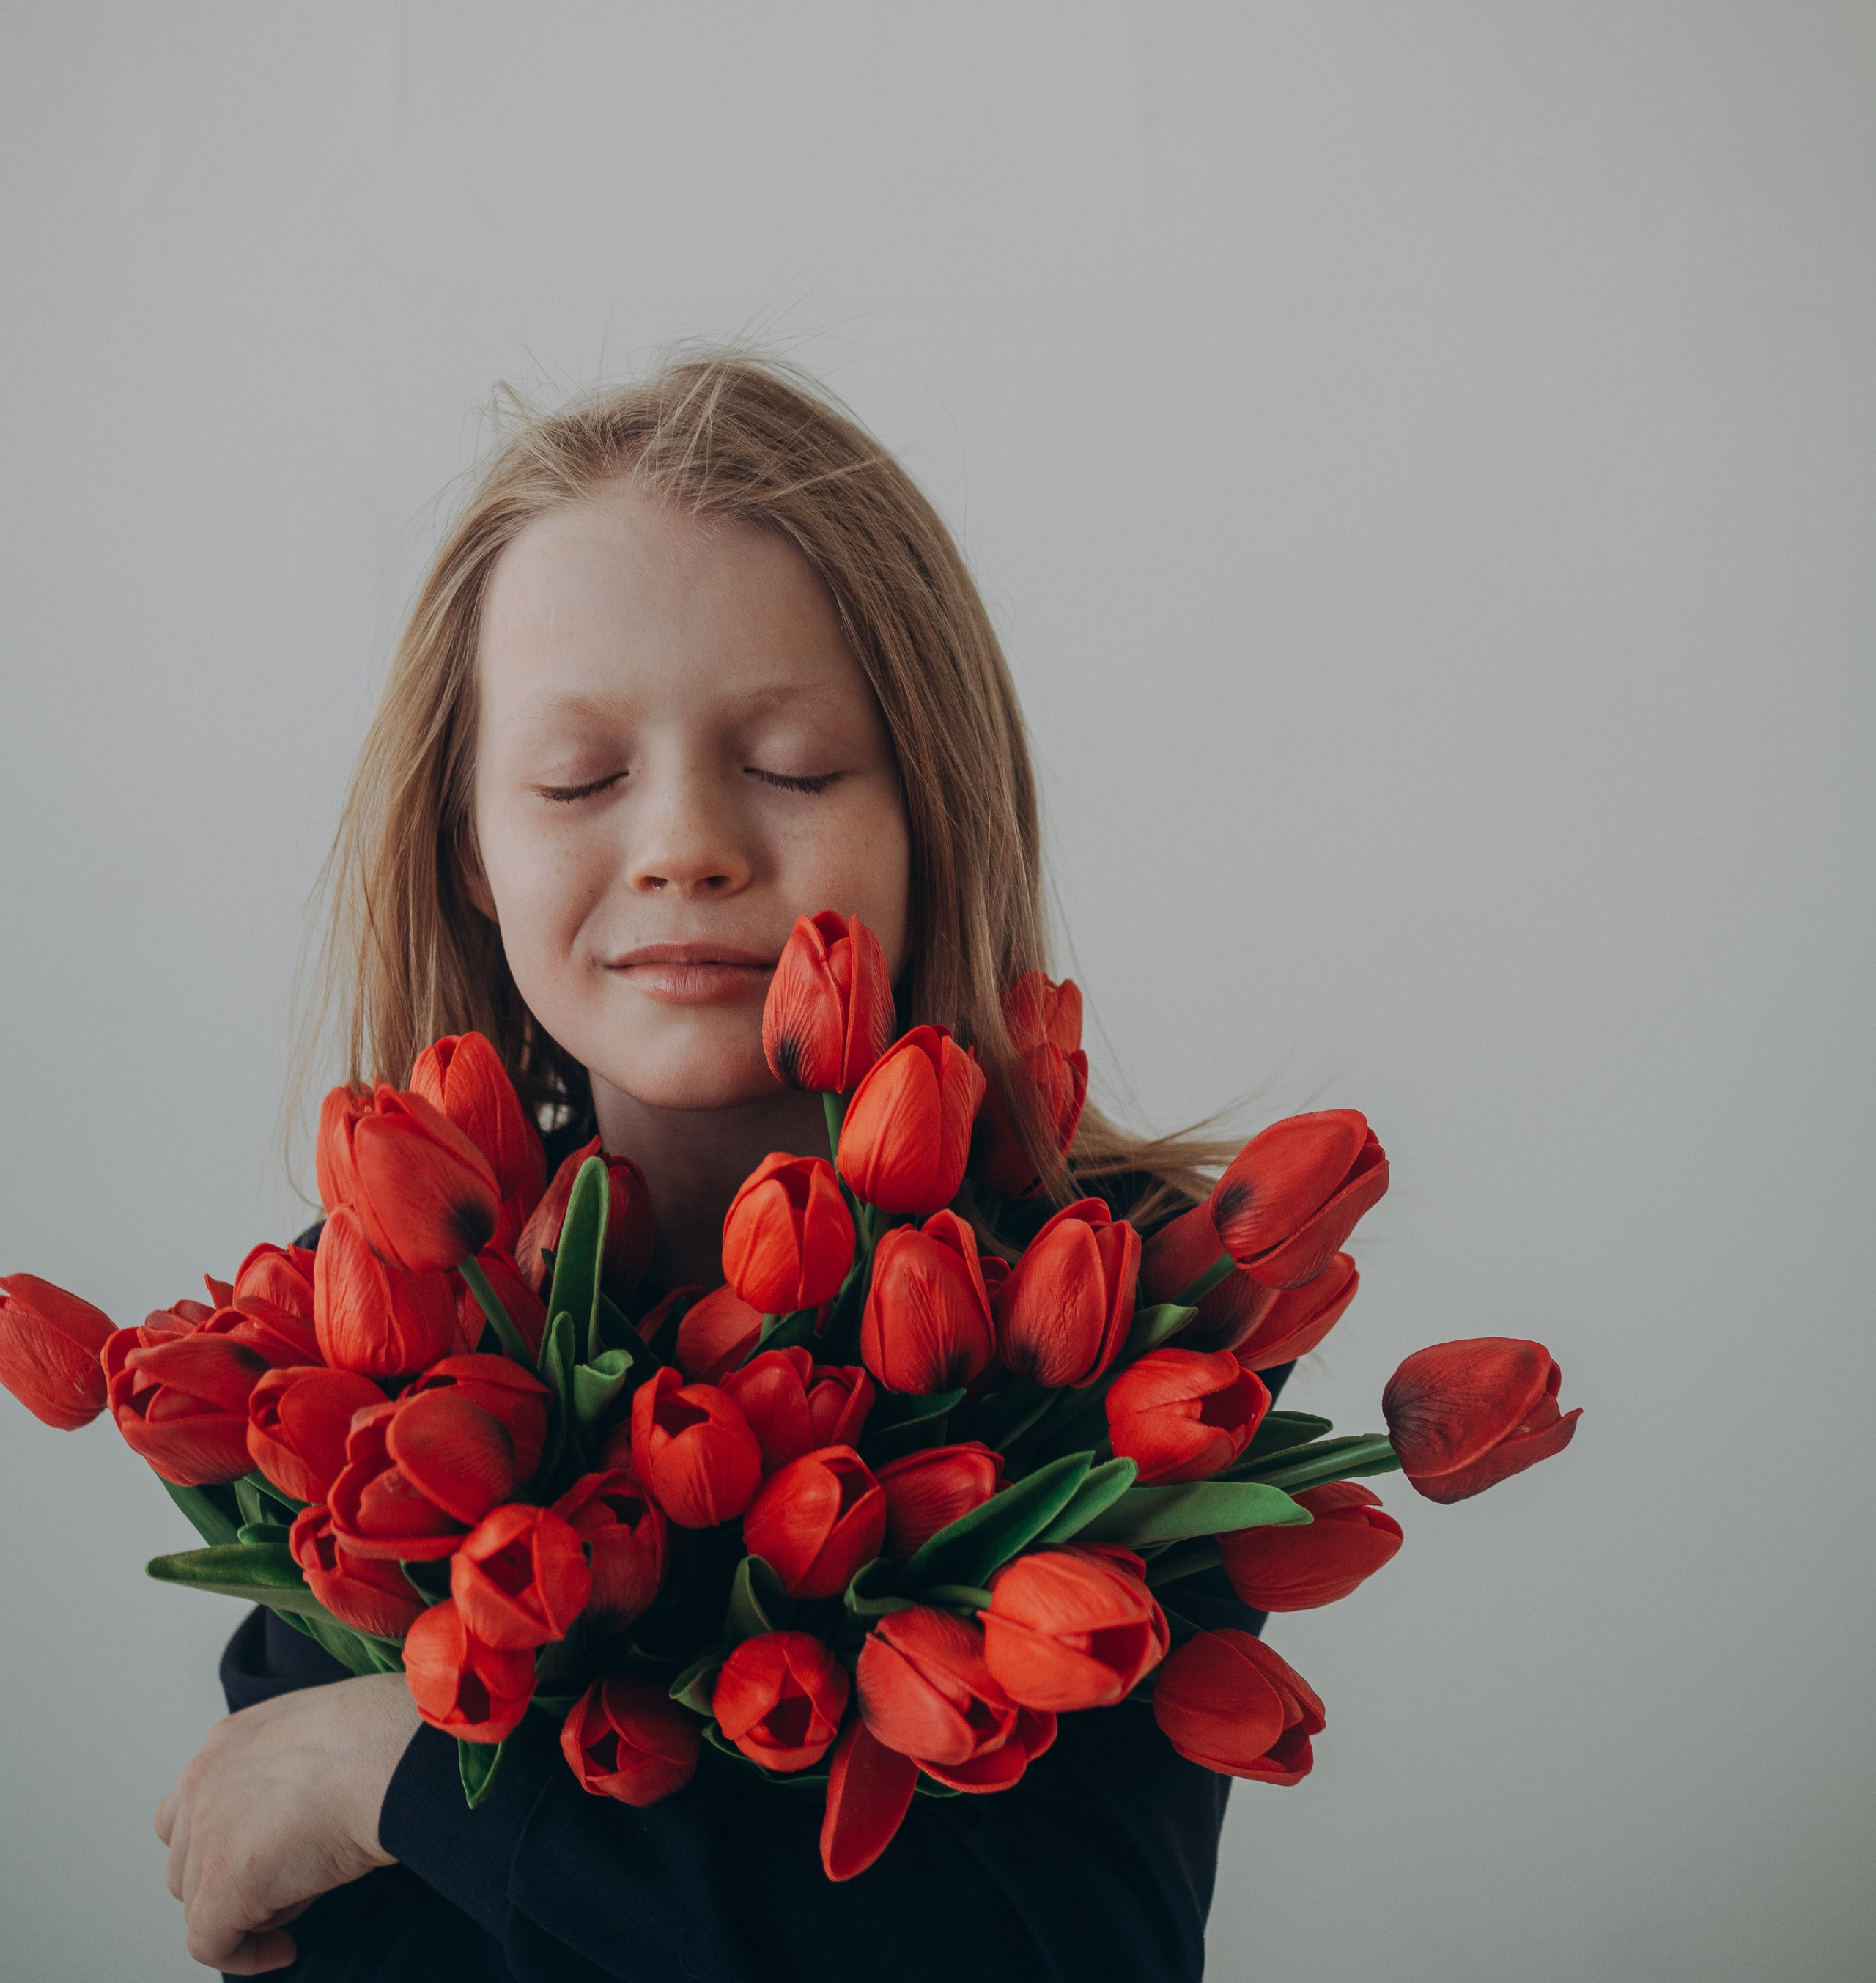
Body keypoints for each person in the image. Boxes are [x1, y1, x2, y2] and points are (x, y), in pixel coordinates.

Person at [155, 355, 1288, 1980]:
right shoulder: (370, 1337)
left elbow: (1054, 1948)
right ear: (468, 848)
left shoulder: (1121, 1320)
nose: (687, 843)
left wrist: (391, 1775)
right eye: (578, 778)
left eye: (792, 765)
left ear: (930, 815)